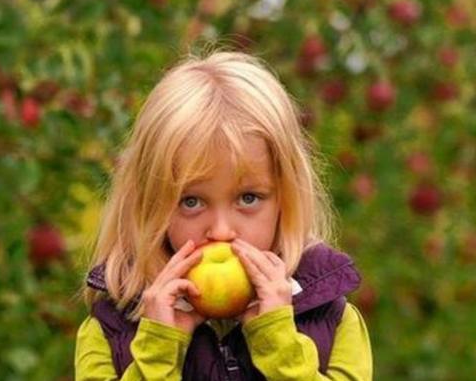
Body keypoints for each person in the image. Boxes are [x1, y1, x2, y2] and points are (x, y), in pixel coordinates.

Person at [74, 48, 372, 380]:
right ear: (150, 205)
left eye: (248, 198)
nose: (220, 231)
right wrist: (157, 351)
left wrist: (278, 344)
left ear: (286, 199)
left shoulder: (331, 320)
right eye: (191, 202)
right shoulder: (110, 330)